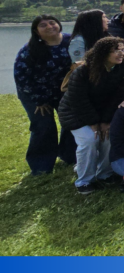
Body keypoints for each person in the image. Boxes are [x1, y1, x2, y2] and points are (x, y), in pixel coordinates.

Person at [58, 37, 124, 194]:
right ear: (104, 53)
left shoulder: (123, 69)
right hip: (75, 113)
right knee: (90, 140)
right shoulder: (83, 70)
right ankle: (84, 180)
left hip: (103, 113)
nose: (122, 53)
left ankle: (104, 174)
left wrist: (106, 121)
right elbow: (78, 99)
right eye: (117, 50)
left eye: (123, 50)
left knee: (109, 137)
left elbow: (118, 97)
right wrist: (93, 122)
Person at [14, 15, 75, 174]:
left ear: (59, 24)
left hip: (65, 93)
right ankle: (41, 166)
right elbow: (21, 77)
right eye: (43, 25)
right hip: (35, 95)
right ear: (36, 31)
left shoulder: (72, 42)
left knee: (70, 123)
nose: (49, 26)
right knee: (44, 127)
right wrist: (39, 100)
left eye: (52, 22)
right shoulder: (29, 50)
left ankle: (69, 156)